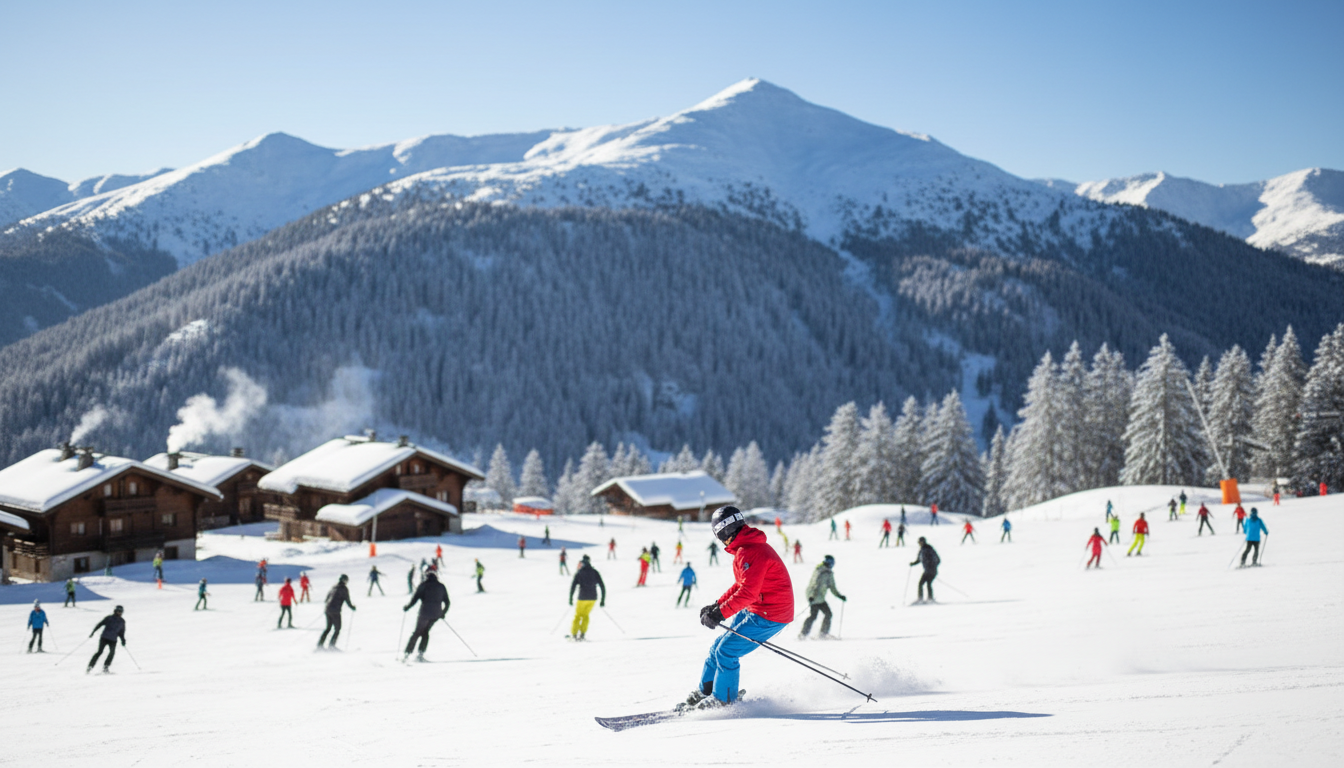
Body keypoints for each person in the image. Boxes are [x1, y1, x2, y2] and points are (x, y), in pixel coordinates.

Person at [685, 506, 793, 710]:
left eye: (719, 536)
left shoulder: (750, 551)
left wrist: (720, 613)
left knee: (727, 650)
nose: (720, 541)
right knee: (718, 646)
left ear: (725, 531)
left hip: (771, 613)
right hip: (760, 606)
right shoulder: (747, 548)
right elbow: (742, 585)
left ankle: (723, 699)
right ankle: (706, 691)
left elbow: (747, 593)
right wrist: (717, 605)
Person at [403, 570, 450, 661]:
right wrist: (443, 613)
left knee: (417, 632)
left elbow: (415, 599)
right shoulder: (441, 586)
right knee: (425, 632)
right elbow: (447, 602)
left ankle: (407, 653)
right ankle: (421, 654)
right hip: (436, 615)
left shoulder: (423, 585)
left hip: (424, 613)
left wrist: (407, 607)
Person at [799, 555, 845, 639]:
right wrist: (811, 596)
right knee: (814, 615)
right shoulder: (820, 571)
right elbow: (814, 584)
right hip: (814, 597)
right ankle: (803, 634)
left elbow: (832, 587)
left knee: (827, 614)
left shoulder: (828, 573)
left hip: (820, 598)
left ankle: (822, 633)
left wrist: (839, 596)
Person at [568, 554, 606, 640]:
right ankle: (582, 634)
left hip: (582, 597)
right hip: (592, 598)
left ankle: (574, 634)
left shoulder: (580, 572)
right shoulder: (595, 572)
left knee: (578, 616)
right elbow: (602, 586)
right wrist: (602, 600)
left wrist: (570, 598)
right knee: (585, 615)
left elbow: (573, 586)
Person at [318, 575, 356, 649]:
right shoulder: (344, 589)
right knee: (337, 628)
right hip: (335, 611)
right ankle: (331, 646)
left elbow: (327, 598)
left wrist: (328, 606)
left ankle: (320, 644)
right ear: (344, 580)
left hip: (327, 609)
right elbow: (347, 600)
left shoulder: (333, 587)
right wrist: (352, 607)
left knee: (328, 628)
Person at [87, 605, 126, 673]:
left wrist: (123, 639)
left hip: (113, 639)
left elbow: (121, 632)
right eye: (118, 611)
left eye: (120, 611)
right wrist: (93, 632)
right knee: (99, 652)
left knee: (112, 653)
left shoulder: (122, 621)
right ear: (115, 611)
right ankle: (90, 666)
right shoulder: (109, 618)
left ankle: (106, 667)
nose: (119, 612)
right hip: (104, 638)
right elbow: (100, 624)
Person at [910, 537, 940, 603]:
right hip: (929, 570)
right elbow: (919, 560)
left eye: (920, 542)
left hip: (930, 570)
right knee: (927, 583)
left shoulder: (927, 549)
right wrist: (913, 563)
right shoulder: (923, 550)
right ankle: (929, 598)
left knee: (922, 583)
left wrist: (932, 566)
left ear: (923, 542)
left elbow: (937, 560)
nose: (919, 544)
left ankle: (923, 599)